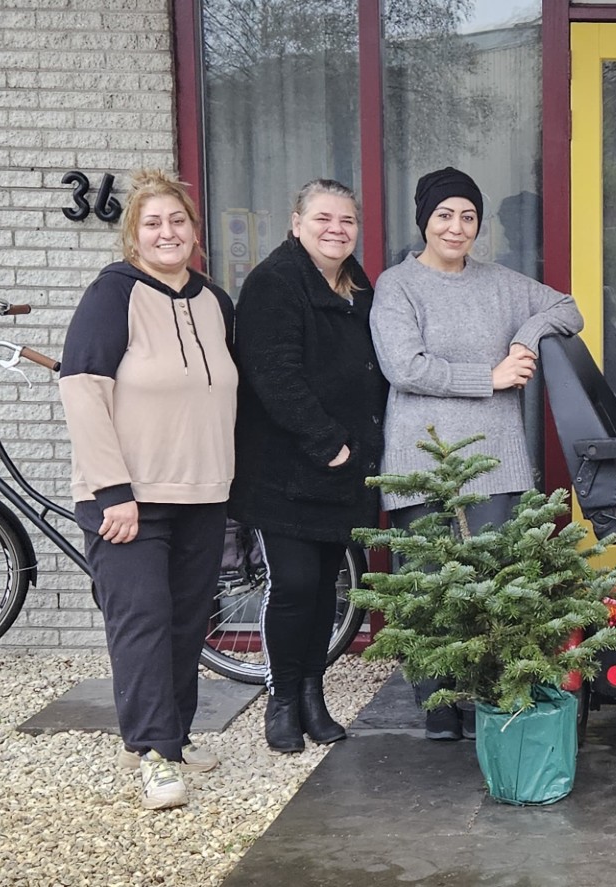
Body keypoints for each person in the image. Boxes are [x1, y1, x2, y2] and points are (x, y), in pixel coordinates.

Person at [370, 166, 584, 741]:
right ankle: (436, 701)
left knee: (497, 583)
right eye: (444, 215)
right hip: (425, 458)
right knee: (428, 585)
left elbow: (568, 307)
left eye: (467, 217)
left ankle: (493, 693)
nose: (456, 227)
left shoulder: (500, 282)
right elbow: (405, 367)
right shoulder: (398, 286)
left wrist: (525, 336)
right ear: (424, 222)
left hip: (497, 457)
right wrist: (489, 376)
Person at [59, 169, 237, 809]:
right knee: (142, 624)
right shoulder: (113, 295)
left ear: (194, 230)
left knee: (188, 623)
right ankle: (155, 754)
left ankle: (177, 732)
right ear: (134, 237)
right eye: (152, 223)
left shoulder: (214, 302)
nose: (168, 233)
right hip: (129, 498)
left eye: (177, 221)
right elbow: (83, 389)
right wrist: (112, 491)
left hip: (203, 494)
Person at [230, 179, 387, 754]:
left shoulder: (357, 283)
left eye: (346, 221)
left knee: (327, 589)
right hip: (288, 469)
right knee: (293, 584)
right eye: (323, 218)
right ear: (296, 223)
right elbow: (273, 375)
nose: (335, 230)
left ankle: (314, 694)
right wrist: (327, 441)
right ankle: (280, 699)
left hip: (345, 469)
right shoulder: (274, 282)